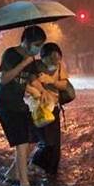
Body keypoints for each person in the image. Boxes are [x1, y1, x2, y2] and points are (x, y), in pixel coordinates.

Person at [0, 25, 47, 186]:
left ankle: (12, 173)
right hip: (5, 104)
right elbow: (3, 79)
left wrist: (43, 91)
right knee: (22, 142)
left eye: (40, 45)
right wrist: (23, 63)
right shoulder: (11, 54)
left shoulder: (31, 60)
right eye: (36, 44)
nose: (37, 49)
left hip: (20, 104)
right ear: (26, 42)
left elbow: (32, 80)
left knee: (32, 139)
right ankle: (24, 184)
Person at [27, 43, 70, 176]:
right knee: (45, 142)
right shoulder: (35, 66)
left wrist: (51, 80)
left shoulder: (61, 66)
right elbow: (29, 83)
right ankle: (33, 164)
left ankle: (51, 173)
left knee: (55, 146)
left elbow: (64, 85)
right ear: (43, 57)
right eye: (51, 59)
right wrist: (40, 89)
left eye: (57, 59)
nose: (54, 62)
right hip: (38, 108)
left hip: (54, 108)